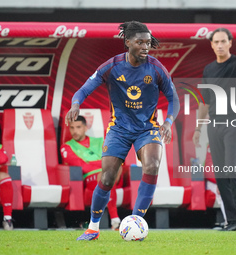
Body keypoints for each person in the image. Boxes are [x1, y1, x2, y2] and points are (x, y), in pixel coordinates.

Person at [65, 21, 180, 240]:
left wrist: (168, 122)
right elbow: (83, 89)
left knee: (153, 165)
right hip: (119, 129)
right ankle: (93, 227)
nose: (145, 46)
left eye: (148, 42)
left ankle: (136, 223)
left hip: (148, 128)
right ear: (128, 42)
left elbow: (173, 98)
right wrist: (75, 104)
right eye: (140, 42)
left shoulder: (156, 68)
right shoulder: (112, 66)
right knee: (107, 178)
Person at [193, 26, 236, 231]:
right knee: (220, 173)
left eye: (223, 41)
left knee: (231, 168)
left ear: (230, 43)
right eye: (215, 42)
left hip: (235, 123)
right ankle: (232, 220)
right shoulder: (208, 69)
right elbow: (205, 102)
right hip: (214, 125)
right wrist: (198, 128)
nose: (219, 45)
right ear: (211, 45)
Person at [60, 115, 121, 230]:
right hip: (88, 179)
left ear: (85, 128)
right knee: (106, 176)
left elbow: (113, 158)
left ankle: (115, 221)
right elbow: (81, 166)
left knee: (116, 167)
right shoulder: (66, 147)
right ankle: (115, 220)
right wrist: (103, 163)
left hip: (110, 173)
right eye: (72, 128)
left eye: (78, 127)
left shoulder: (100, 141)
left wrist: (98, 163)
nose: (75, 131)